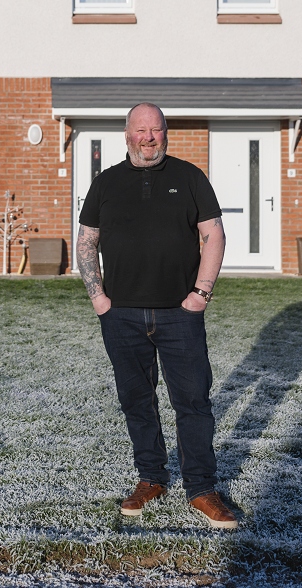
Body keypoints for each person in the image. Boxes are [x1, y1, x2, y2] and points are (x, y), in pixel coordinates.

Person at [76, 102, 236, 528]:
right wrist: (99, 298)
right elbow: (86, 242)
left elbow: (214, 234)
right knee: (136, 401)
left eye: (157, 130)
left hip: (179, 315)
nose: (150, 138)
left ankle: (201, 489)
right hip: (122, 316)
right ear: (127, 135)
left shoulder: (189, 177)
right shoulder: (106, 183)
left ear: (166, 132)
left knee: (193, 403)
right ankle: (151, 478)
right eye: (142, 130)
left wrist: (201, 293)